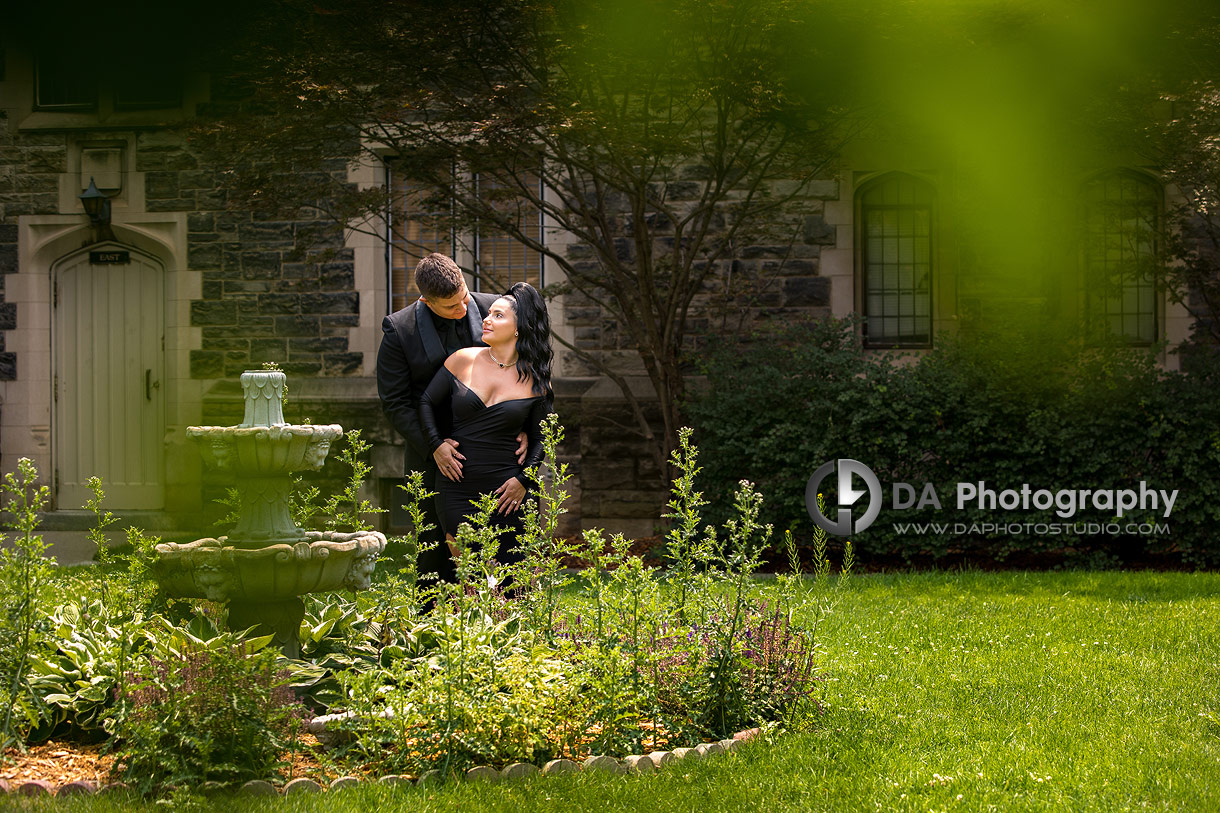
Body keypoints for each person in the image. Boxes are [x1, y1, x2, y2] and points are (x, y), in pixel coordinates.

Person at [376, 253, 526, 585]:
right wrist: (435, 446)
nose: (461, 310)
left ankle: (511, 632)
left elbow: (528, 374)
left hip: (497, 452)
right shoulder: (399, 330)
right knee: (433, 561)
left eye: (463, 299)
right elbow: (396, 403)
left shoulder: (499, 311)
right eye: (449, 307)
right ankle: (431, 634)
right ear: (424, 300)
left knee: (508, 556)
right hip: (434, 456)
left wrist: (525, 427)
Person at [418, 282, 553, 566]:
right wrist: (436, 444)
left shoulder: (536, 380)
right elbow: (426, 402)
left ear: (519, 328)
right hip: (456, 488)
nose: (487, 319)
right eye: (489, 313)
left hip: (509, 493)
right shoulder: (463, 359)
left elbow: (543, 438)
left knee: (511, 585)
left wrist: (523, 480)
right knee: (468, 578)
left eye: (498, 315)